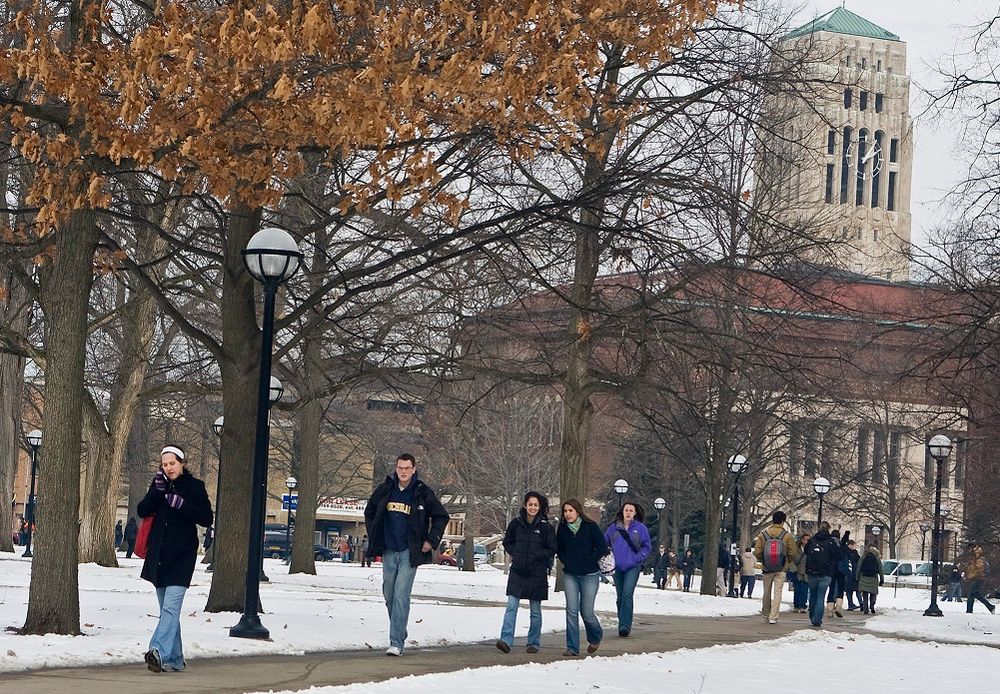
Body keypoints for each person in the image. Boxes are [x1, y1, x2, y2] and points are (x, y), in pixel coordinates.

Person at [364, 453, 450, 656]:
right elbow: (370, 512)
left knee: (401, 595)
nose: (403, 471)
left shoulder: (422, 492)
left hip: (409, 552)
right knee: (389, 595)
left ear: (413, 469)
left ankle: (396, 643)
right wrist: (375, 534)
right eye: (400, 467)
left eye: (407, 468)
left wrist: (431, 540)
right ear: (396, 469)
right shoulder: (386, 489)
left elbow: (441, 516)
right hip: (389, 550)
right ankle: (400, 630)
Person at [139, 444, 213, 673]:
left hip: (182, 556)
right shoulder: (158, 486)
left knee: (171, 609)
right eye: (164, 464)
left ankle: (157, 651)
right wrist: (157, 492)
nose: (168, 468)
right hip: (159, 556)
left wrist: (182, 505)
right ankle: (176, 659)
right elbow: (142, 510)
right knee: (167, 612)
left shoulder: (195, 487)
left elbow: (206, 517)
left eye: (172, 463)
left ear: (182, 463)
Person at [495, 492, 557, 654]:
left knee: (535, 611)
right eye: (530, 504)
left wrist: (537, 557)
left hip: (537, 573)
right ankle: (506, 640)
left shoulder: (546, 527)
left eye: (536, 505)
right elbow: (507, 542)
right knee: (511, 606)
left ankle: (533, 643)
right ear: (525, 505)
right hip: (518, 572)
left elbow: (552, 548)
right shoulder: (516, 524)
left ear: (540, 507)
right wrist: (516, 553)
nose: (533, 508)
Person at [556, 498, 607, 657]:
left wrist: (590, 560)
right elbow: (560, 549)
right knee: (571, 610)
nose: (567, 514)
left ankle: (595, 636)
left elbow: (602, 547)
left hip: (590, 575)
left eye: (570, 510)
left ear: (578, 511)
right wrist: (567, 561)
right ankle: (572, 647)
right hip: (571, 574)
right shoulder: (563, 529)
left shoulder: (590, 526)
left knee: (587, 612)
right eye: (565, 511)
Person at [604, 502, 651, 637]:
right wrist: (607, 556)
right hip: (617, 567)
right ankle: (622, 621)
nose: (628, 512)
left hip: (633, 566)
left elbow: (647, 546)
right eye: (626, 510)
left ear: (635, 513)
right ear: (622, 512)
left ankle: (625, 626)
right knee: (620, 596)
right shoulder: (613, 528)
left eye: (631, 510)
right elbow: (604, 543)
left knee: (627, 594)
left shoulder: (641, 528)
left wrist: (639, 557)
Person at [753, 510, 799, 624]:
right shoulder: (787, 536)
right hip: (781, 568)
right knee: (777, 592)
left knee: (766, 592)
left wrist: (763, 559)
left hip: (767, 567)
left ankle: (765, 614)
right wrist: (787, 560)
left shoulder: (763, 535)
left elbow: (757, 551)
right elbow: (792, 552)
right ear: (783, 521)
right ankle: (773, 616)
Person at [804, 521, 842, 627]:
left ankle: (812, 616)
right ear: (828, 529)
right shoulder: (830, 542)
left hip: (812, 572)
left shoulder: (812, 540)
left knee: (813, 595)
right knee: (821, 596)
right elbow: (839, 556)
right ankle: (817, 620)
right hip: (826, 573)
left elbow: (806, 551)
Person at [964, 542, 996, 614]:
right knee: (977, 594)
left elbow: (979, 568)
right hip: (977, 577)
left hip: (978, 578)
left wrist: (972, 576)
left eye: (968, 549)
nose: (968, 551)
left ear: (971, 548)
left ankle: (969, 610)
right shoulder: (975, 557)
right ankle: (990, 607)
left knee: (971, 594)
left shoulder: (977, 558)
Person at [856, 543, 884, 614]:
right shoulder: (877, 557)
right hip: (873, 577)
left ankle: (866, 608)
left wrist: (857, 576)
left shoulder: (864, 556)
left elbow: (859, 566)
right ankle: (872, 605)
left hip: (864, 576)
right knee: (873, 593)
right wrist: (881, 579)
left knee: (865, 593)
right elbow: (880, 569)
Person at [825, 529, 847, 618]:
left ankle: (830, 610)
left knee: (831, 589)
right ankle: (838, 606)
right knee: (841, 589)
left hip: (831, 569)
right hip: (841, 569)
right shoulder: (842, 544)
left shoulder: (828, 544)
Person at [791, 532, 811, 613]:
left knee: (805, 590)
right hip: (797, 571)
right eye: (806, 540)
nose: (808, 541)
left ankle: (803, 606)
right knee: (797, 590)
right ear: (802, 540)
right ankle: (796, 605)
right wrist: (793, 569)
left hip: (806, 572)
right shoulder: (795, 548)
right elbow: (791, 559)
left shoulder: (810, 549)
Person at [843, 538, 861, 610]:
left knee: (849, 590)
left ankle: (850, 604)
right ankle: (860, 603)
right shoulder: (854, 553)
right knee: (856, 590)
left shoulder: (845, 552)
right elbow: (858, 562)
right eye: (853, 545)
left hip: (849, 573)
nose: (854, 547)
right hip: (853, 574)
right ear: (850, 545)